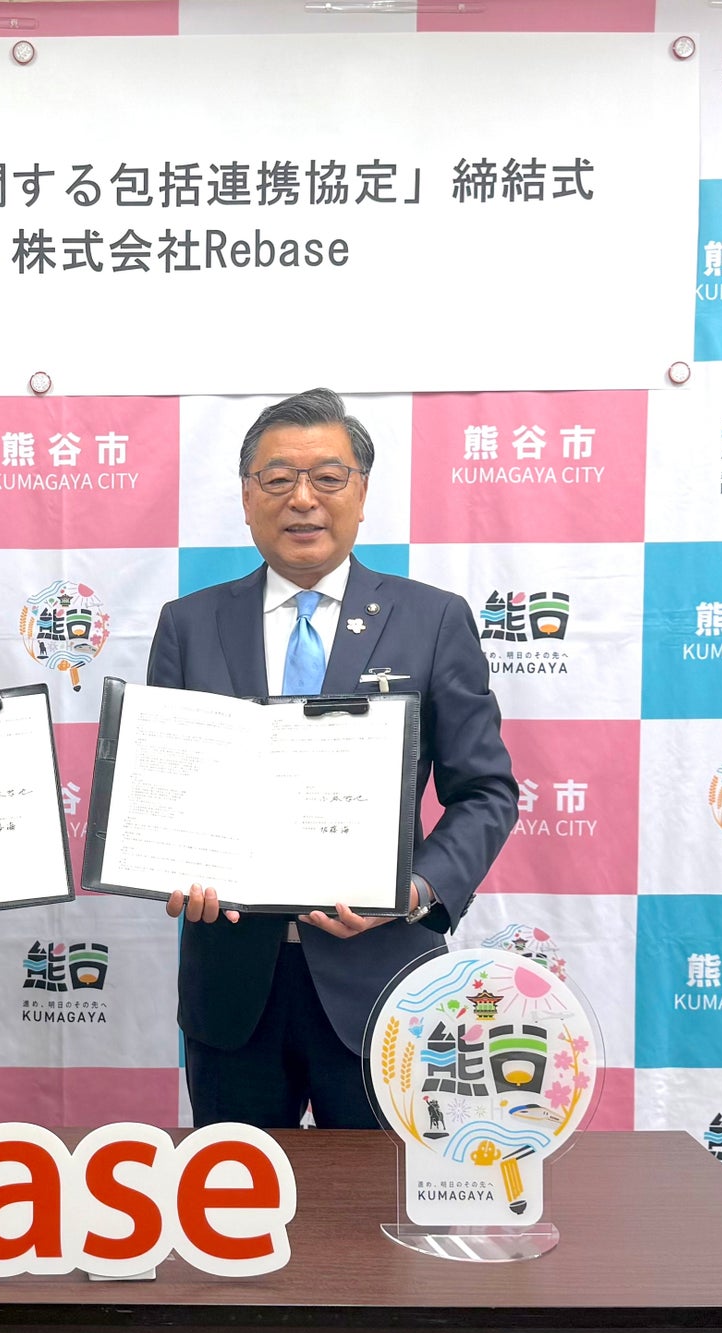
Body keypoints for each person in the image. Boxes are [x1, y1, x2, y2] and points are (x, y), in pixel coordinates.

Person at [147, 388, 517, 1129]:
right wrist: (171, 865)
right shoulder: (189, 625)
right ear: (246, 496)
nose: (302, 500)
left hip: (384, 983)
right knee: (239, 1196)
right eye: (278, 478)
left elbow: (486, 792)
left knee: (379, 1200)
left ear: (362, 493)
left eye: (327, 477)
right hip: (233, 990)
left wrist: (415, 890)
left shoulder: (432, 619)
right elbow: (166, 792)